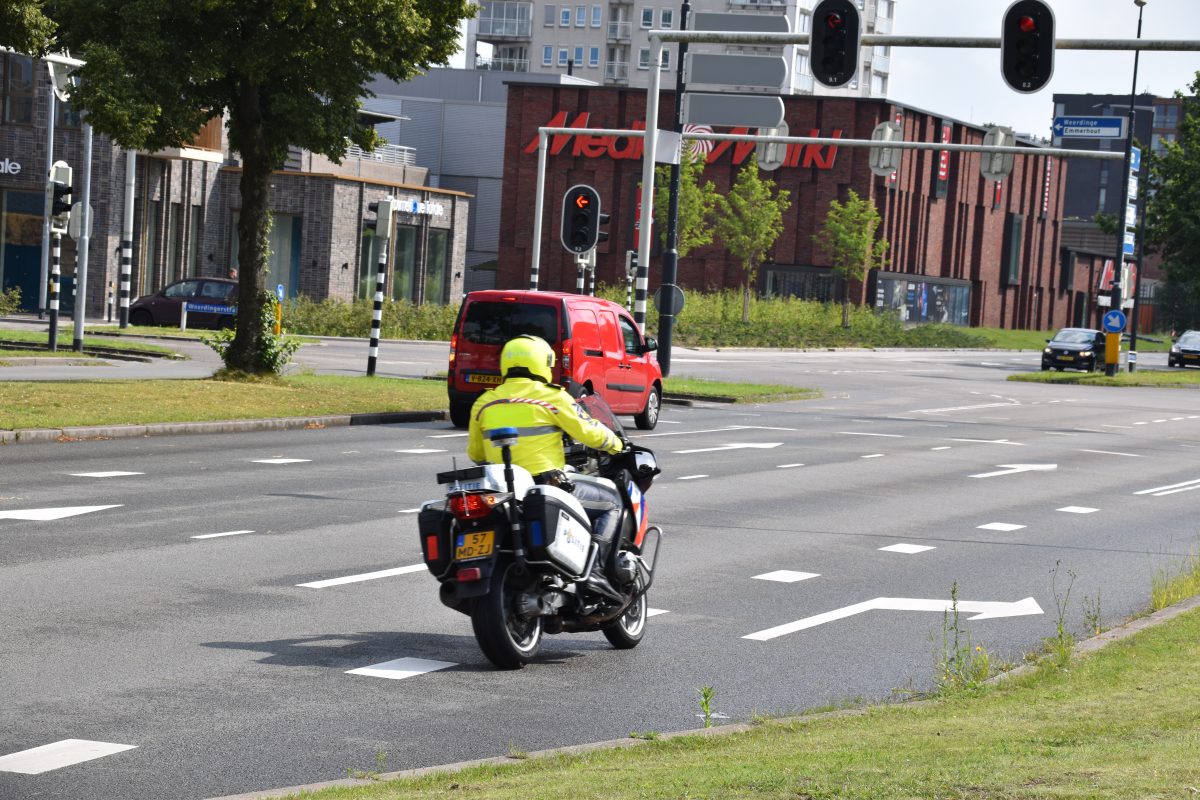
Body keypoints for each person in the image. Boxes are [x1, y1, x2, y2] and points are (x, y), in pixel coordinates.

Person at [467, 335, 626, 596]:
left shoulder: (485, 402)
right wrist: (616, 444)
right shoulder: (551, 398)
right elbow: (590, 433)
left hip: (501, 493)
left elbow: (475, 453)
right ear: (543, 363)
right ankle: (594, 572)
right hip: (546, 485)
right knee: (612, 503)